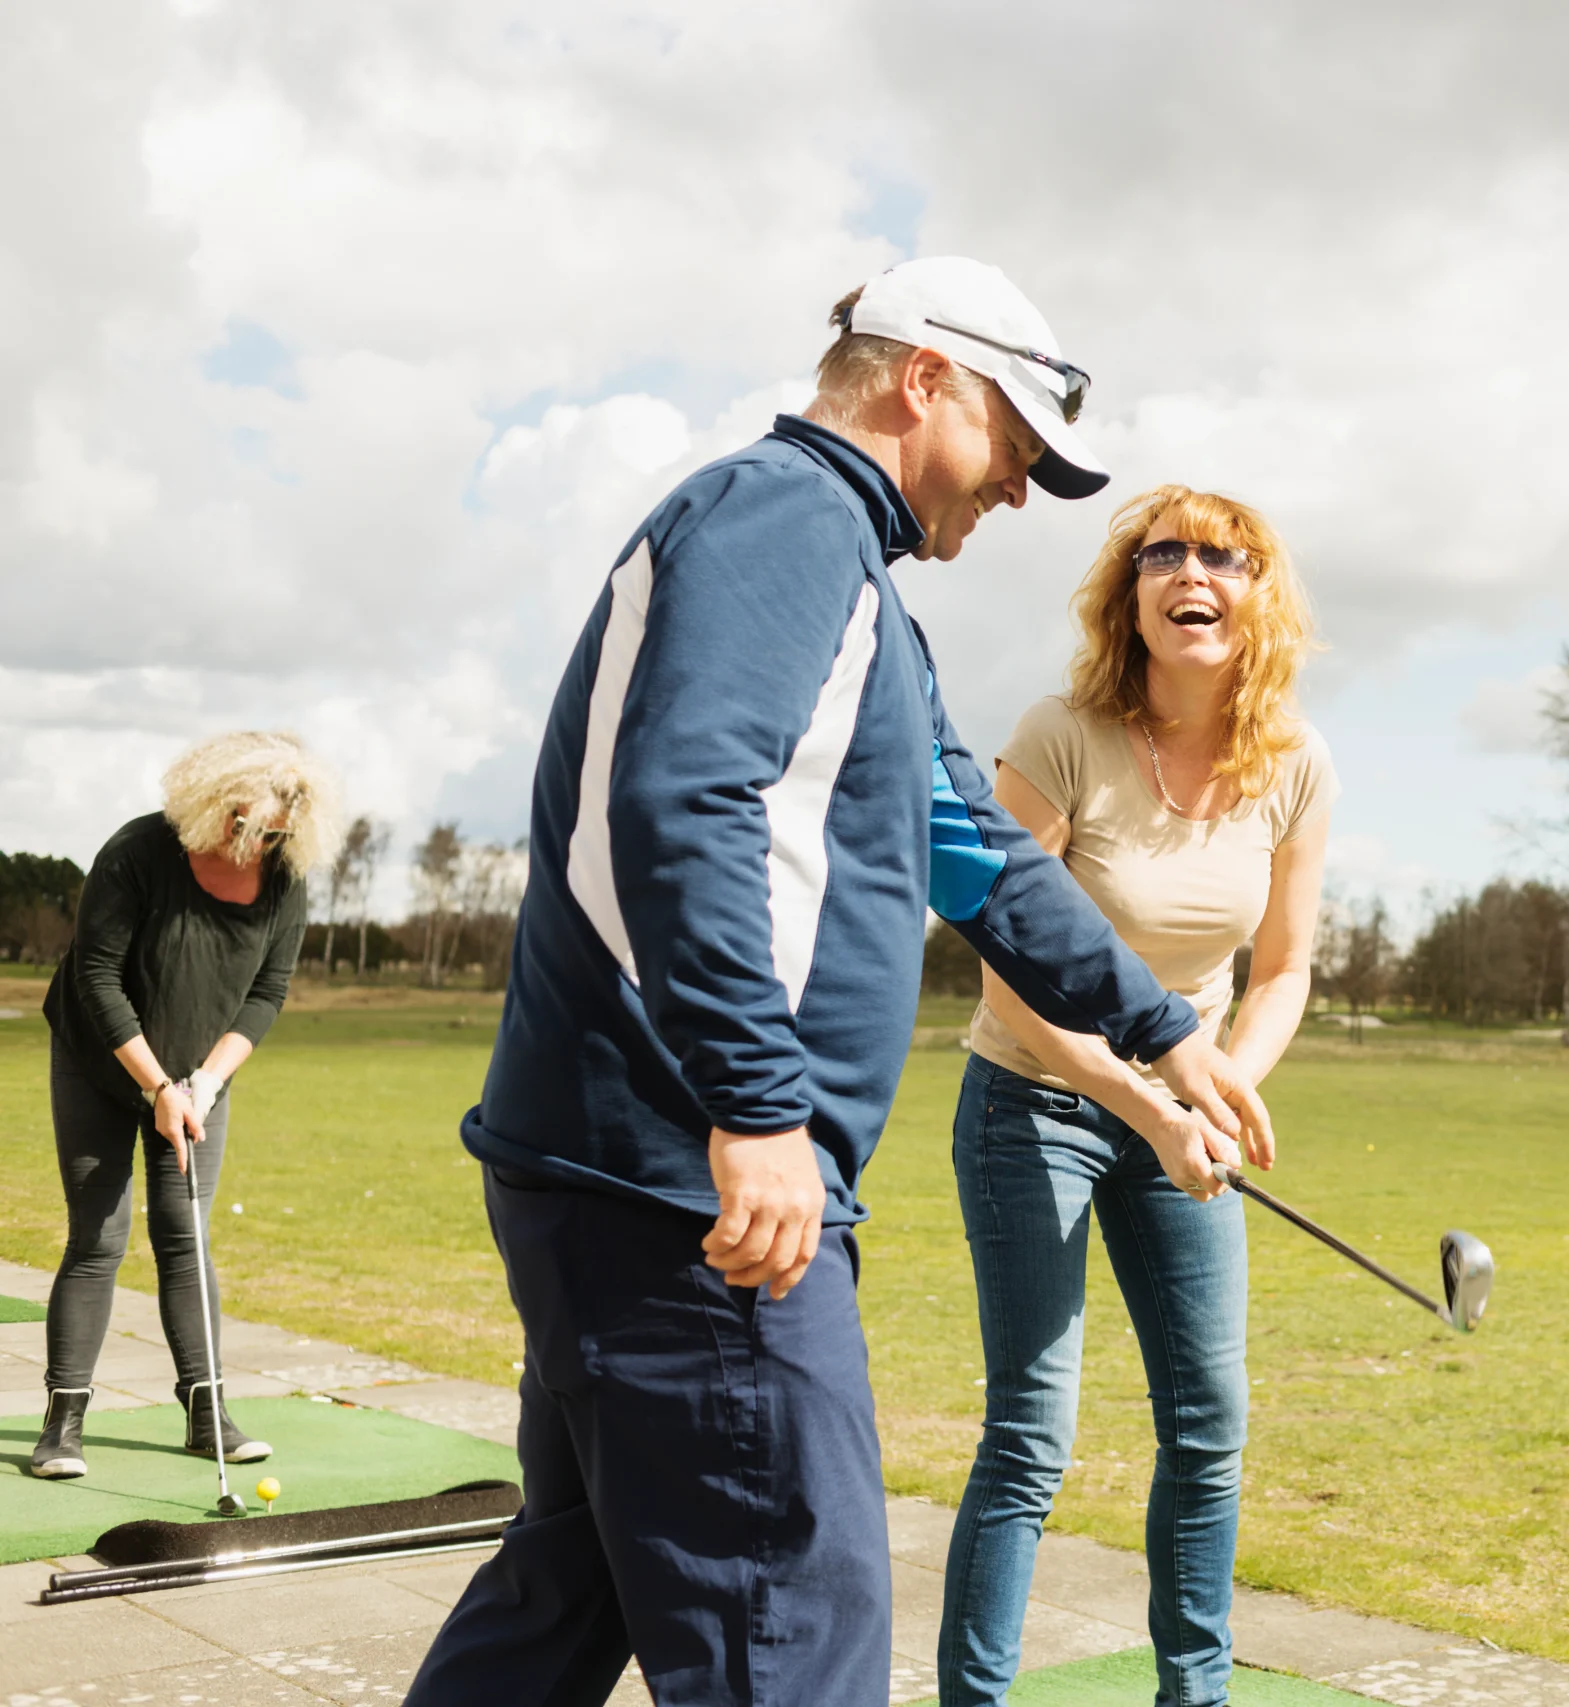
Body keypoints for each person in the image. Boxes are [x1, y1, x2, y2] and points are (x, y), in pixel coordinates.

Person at [404, 257, 1274, 1707]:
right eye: (1014, 442)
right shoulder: (788, 520)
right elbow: (684, 802)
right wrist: (756, 1107)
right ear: (923, 380)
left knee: (572, 1589)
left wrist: (1163, 1030)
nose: (1016, 491)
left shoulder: (849, 578)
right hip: (691, 1192)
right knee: (796, 1631)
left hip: (628, 1177)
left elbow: (973, 853)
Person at [941, 486, 1333, 1707]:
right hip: (1035, 1102)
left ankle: (1194, 1698)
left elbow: (1283, 969)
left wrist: (1218, 1097)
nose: (1189, 573)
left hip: (1180, 1119)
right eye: (1162, 554)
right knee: (1030, 1437)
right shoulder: (1059, 734)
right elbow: (1008, 966)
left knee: (1209, 1429)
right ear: (1131, 595)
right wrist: (1156, 1106)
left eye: (1221, 556)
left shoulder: (1296, 763)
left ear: (1259, 596)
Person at [32, 730, 339, 1479]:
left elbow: (267, 991)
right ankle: (63, 1424)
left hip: (199, 1076)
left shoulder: (284, 879)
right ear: (214, 802)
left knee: (184, 1235)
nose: (255, 844)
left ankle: (208, 1416)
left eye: (274, 834)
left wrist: (204, 1081)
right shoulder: (138, 852)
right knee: (99, 1236)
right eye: (246, 825)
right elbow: (96, 976)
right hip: (102, 1064)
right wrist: (156, 1087)